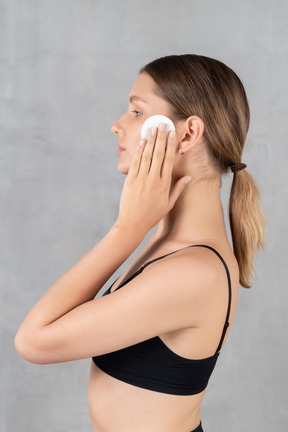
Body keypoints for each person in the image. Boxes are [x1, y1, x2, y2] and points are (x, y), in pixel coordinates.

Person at [15, 54, 266, 432]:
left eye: (135, 112)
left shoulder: (194, 271)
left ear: (187, 134)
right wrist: (135, 229)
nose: (117, 126)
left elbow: (34, 342)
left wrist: (126, 231)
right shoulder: (169, 242)